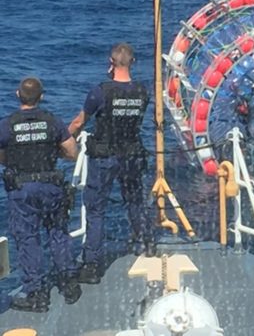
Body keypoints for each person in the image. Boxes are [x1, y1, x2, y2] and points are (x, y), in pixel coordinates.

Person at [68, 43, 154, 285]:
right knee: (135, 201)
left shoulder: (100, 92)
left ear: (111, 62)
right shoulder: (142, 91)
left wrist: (64, 142)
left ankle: (92, 264)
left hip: (105, 157)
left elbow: (78, 122)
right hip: (132, 155)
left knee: (95, 209)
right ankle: (146, 242)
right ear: (133, 62)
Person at [0, 77, 81, 312]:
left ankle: (35, 293)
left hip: (22, 190)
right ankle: (69, 283)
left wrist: (14, 160)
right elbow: (72, 151)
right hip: (51, 186)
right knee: (58, 233)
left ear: (18, 95)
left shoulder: (7, 125)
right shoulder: (52, 122)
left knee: (28, 239)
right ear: (41, 97)